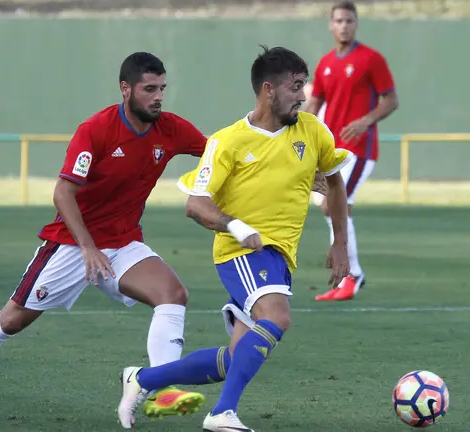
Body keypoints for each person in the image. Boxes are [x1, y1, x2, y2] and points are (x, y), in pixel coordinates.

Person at [0, 52, 209, 424]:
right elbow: (63, 193)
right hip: (70, 245)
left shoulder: (170, 128)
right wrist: (88, 248)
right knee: (11, 320)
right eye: (149, 89)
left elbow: (218, 152)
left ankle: (162, 386)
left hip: (124, 243)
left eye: (162, 88)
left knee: (173, 295)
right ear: (125, 89)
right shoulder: (95, 130)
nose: (158, 97)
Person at [116, 46, 351, 432]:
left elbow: (335, 179)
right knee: (277, 316)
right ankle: (222, 413)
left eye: (303, 86)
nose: (303, 96)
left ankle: (142, 380)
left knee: (232, 358)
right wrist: (238, 228)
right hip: (242, 251)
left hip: (279, 255)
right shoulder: (228, 141)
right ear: (268, 90)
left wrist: (339, 241)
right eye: (295, 87)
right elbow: (197, 205)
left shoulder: (312, 130)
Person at [305, 0, 399, 301]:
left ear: (355, 23)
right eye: (339, 21)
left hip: (359, 148)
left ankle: (352, 275)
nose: (344, 26)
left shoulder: (371, 59)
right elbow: (314, 103)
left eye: (349, 20)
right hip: (332, 148)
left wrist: (366, 120)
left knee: (332, 205)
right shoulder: (325, 64)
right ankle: (348, 276)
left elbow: (391, 100)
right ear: (331, 25)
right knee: (335, 207)